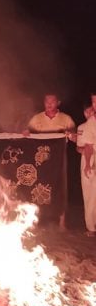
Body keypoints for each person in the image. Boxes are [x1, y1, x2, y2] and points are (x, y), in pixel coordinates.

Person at [25, 93, 76, 230]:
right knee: (38, 186)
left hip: (59, 159)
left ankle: (61, 222)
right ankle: (36, 219)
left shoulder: (66, 119)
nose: (49, 103)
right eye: (46, 101)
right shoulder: (37, 119)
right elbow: (27, 135)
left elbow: (75, 137)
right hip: (40, 160)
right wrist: (25, 134)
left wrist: (71, 135)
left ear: (58, 102)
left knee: (60, 186)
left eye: (52, 101)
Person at [78, 96, 96, 237]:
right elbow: (84, 147)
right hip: (89, 160)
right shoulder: (86, 125)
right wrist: (89, 163)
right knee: (90, 194)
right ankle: (91, 227)